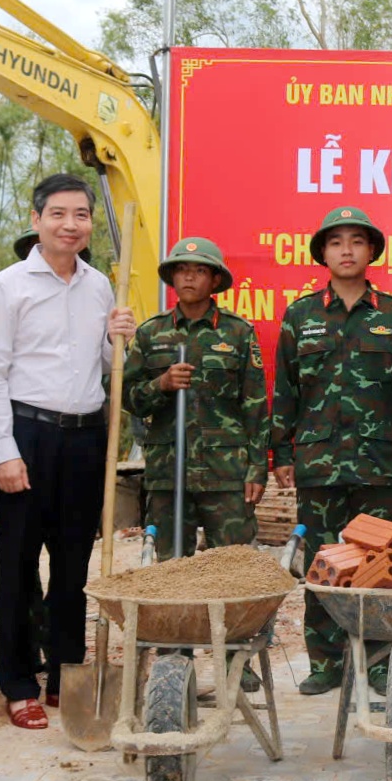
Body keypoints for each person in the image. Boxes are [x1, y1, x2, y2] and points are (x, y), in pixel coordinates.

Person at [0, 173, 135, 729]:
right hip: (28, 434)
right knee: (18, 565)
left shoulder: (100, 286)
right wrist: (5, 452)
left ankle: (65, 673)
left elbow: (106, 367)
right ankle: (17, 681)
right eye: (59, 214)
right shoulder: (9, 286)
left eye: (81, 215)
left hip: (86, 438)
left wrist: (117, 335)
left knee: (73, 565)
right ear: (37, 219)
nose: (71, 225)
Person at [270, 206, 392, 696]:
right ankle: (327, 661)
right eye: (336, 242)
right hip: (319, 463)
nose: (347, 250)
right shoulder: (301, 315)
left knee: (383, 563)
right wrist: (281, 454)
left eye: (356, 241)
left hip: (379, 463)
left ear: (371, 250)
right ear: (323, 253)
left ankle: (379, 660)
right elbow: (286, 390)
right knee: (324, 562)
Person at [125, 237, 267, 560]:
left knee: (234, 565)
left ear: (215, 280)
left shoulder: (238, 333)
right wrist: (161, 384)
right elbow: (129, 398)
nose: (189, 277)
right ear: (172, 277)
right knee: (171, 568)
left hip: (225, 473)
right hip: (168, 473)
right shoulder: (150, 334)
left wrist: (257, 469)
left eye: (200, 270)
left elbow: (255, 407)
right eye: (182, 270)